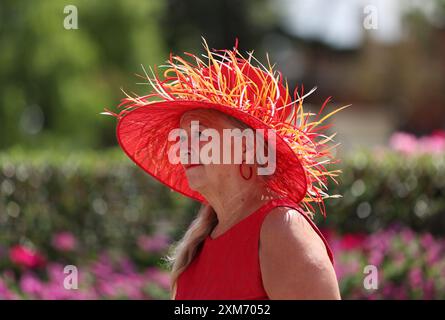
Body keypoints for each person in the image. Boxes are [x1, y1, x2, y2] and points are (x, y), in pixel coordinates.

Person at [107, 38, 348, 299]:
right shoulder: (198, 246)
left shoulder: (282, 231)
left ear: (246, 146)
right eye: (182, 137)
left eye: (199, 133)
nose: (184, 147)